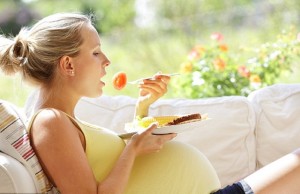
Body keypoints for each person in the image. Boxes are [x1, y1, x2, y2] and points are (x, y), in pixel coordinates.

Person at [1, 12, 300, 194]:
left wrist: (142, 108)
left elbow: (106, 166)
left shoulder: (61, 119)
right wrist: (134, 149)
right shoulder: (50, 122)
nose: (107, 61)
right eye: (96, 53)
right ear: (68, 65)